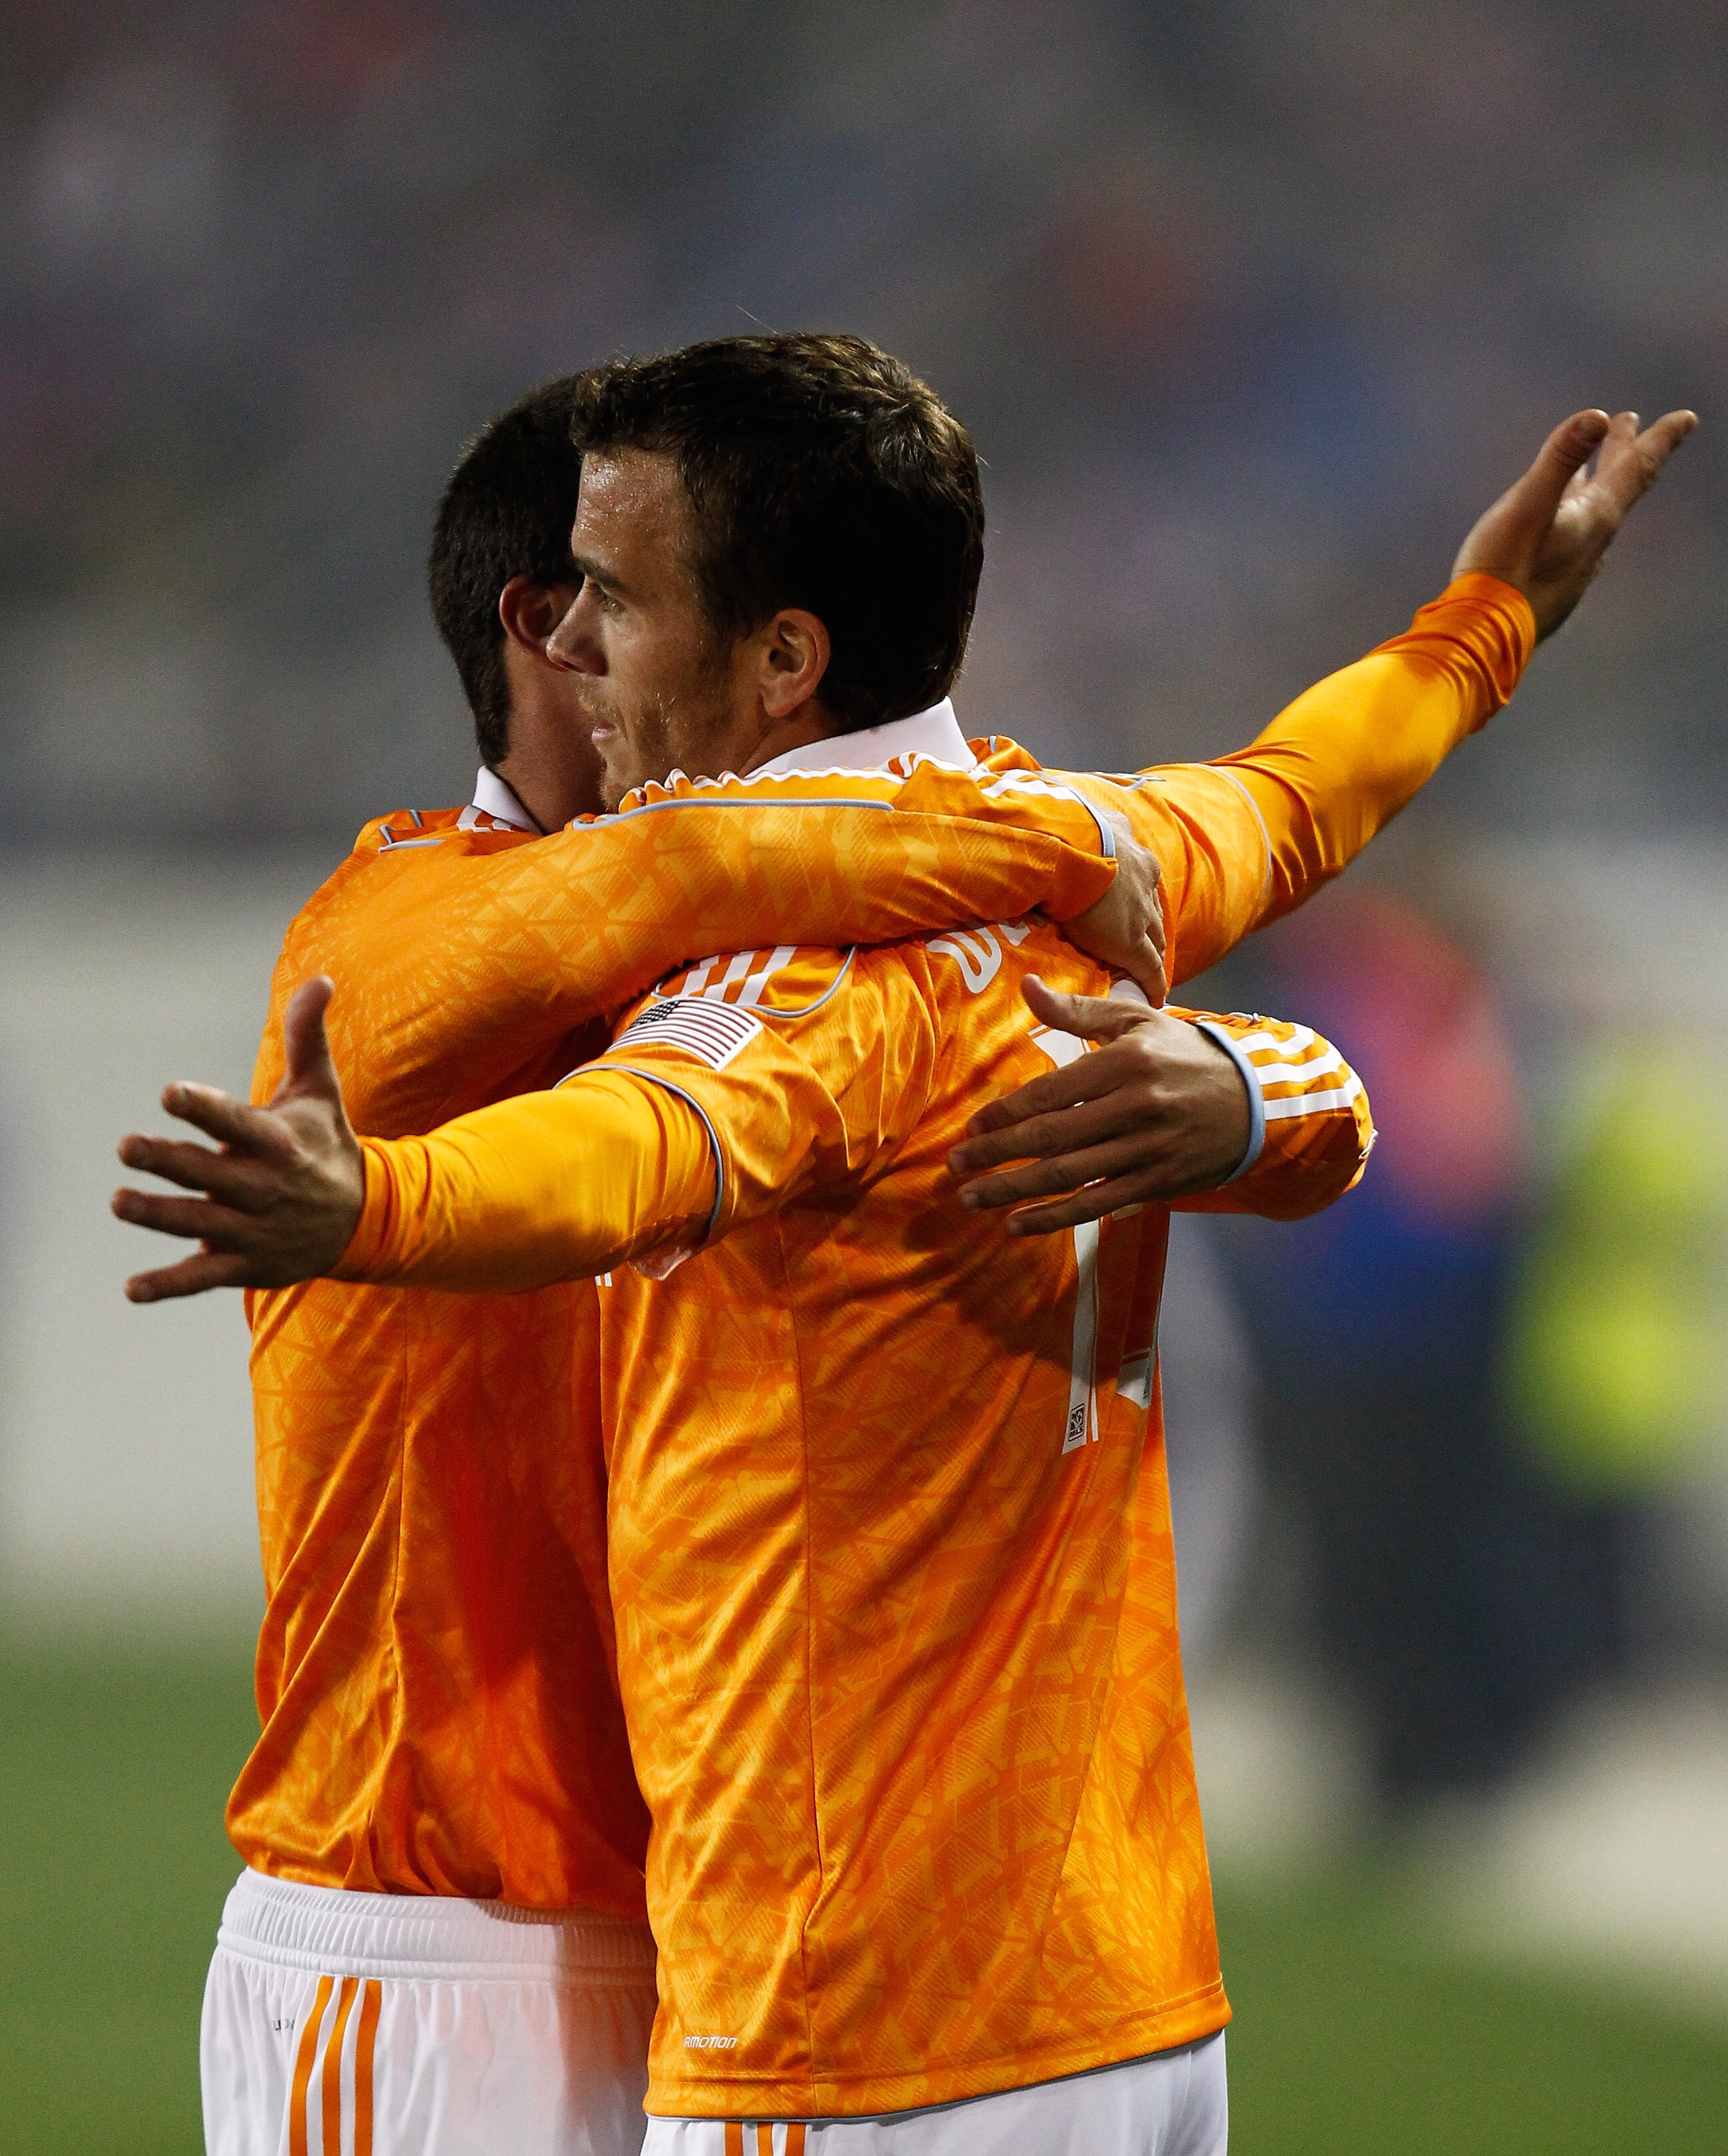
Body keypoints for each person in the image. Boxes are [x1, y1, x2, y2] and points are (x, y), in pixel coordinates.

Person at [116, 337, 1693, 2153]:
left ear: (783, 652)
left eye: (626, 602)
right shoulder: (436, 931)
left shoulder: (819, 980)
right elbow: (1273, 796)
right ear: (522, 622)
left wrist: (379, 1206)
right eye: (584, 604)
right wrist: (1232, 968)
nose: (593, 654)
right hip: (536, 1941)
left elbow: (649, 1140)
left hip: (837, 1994)